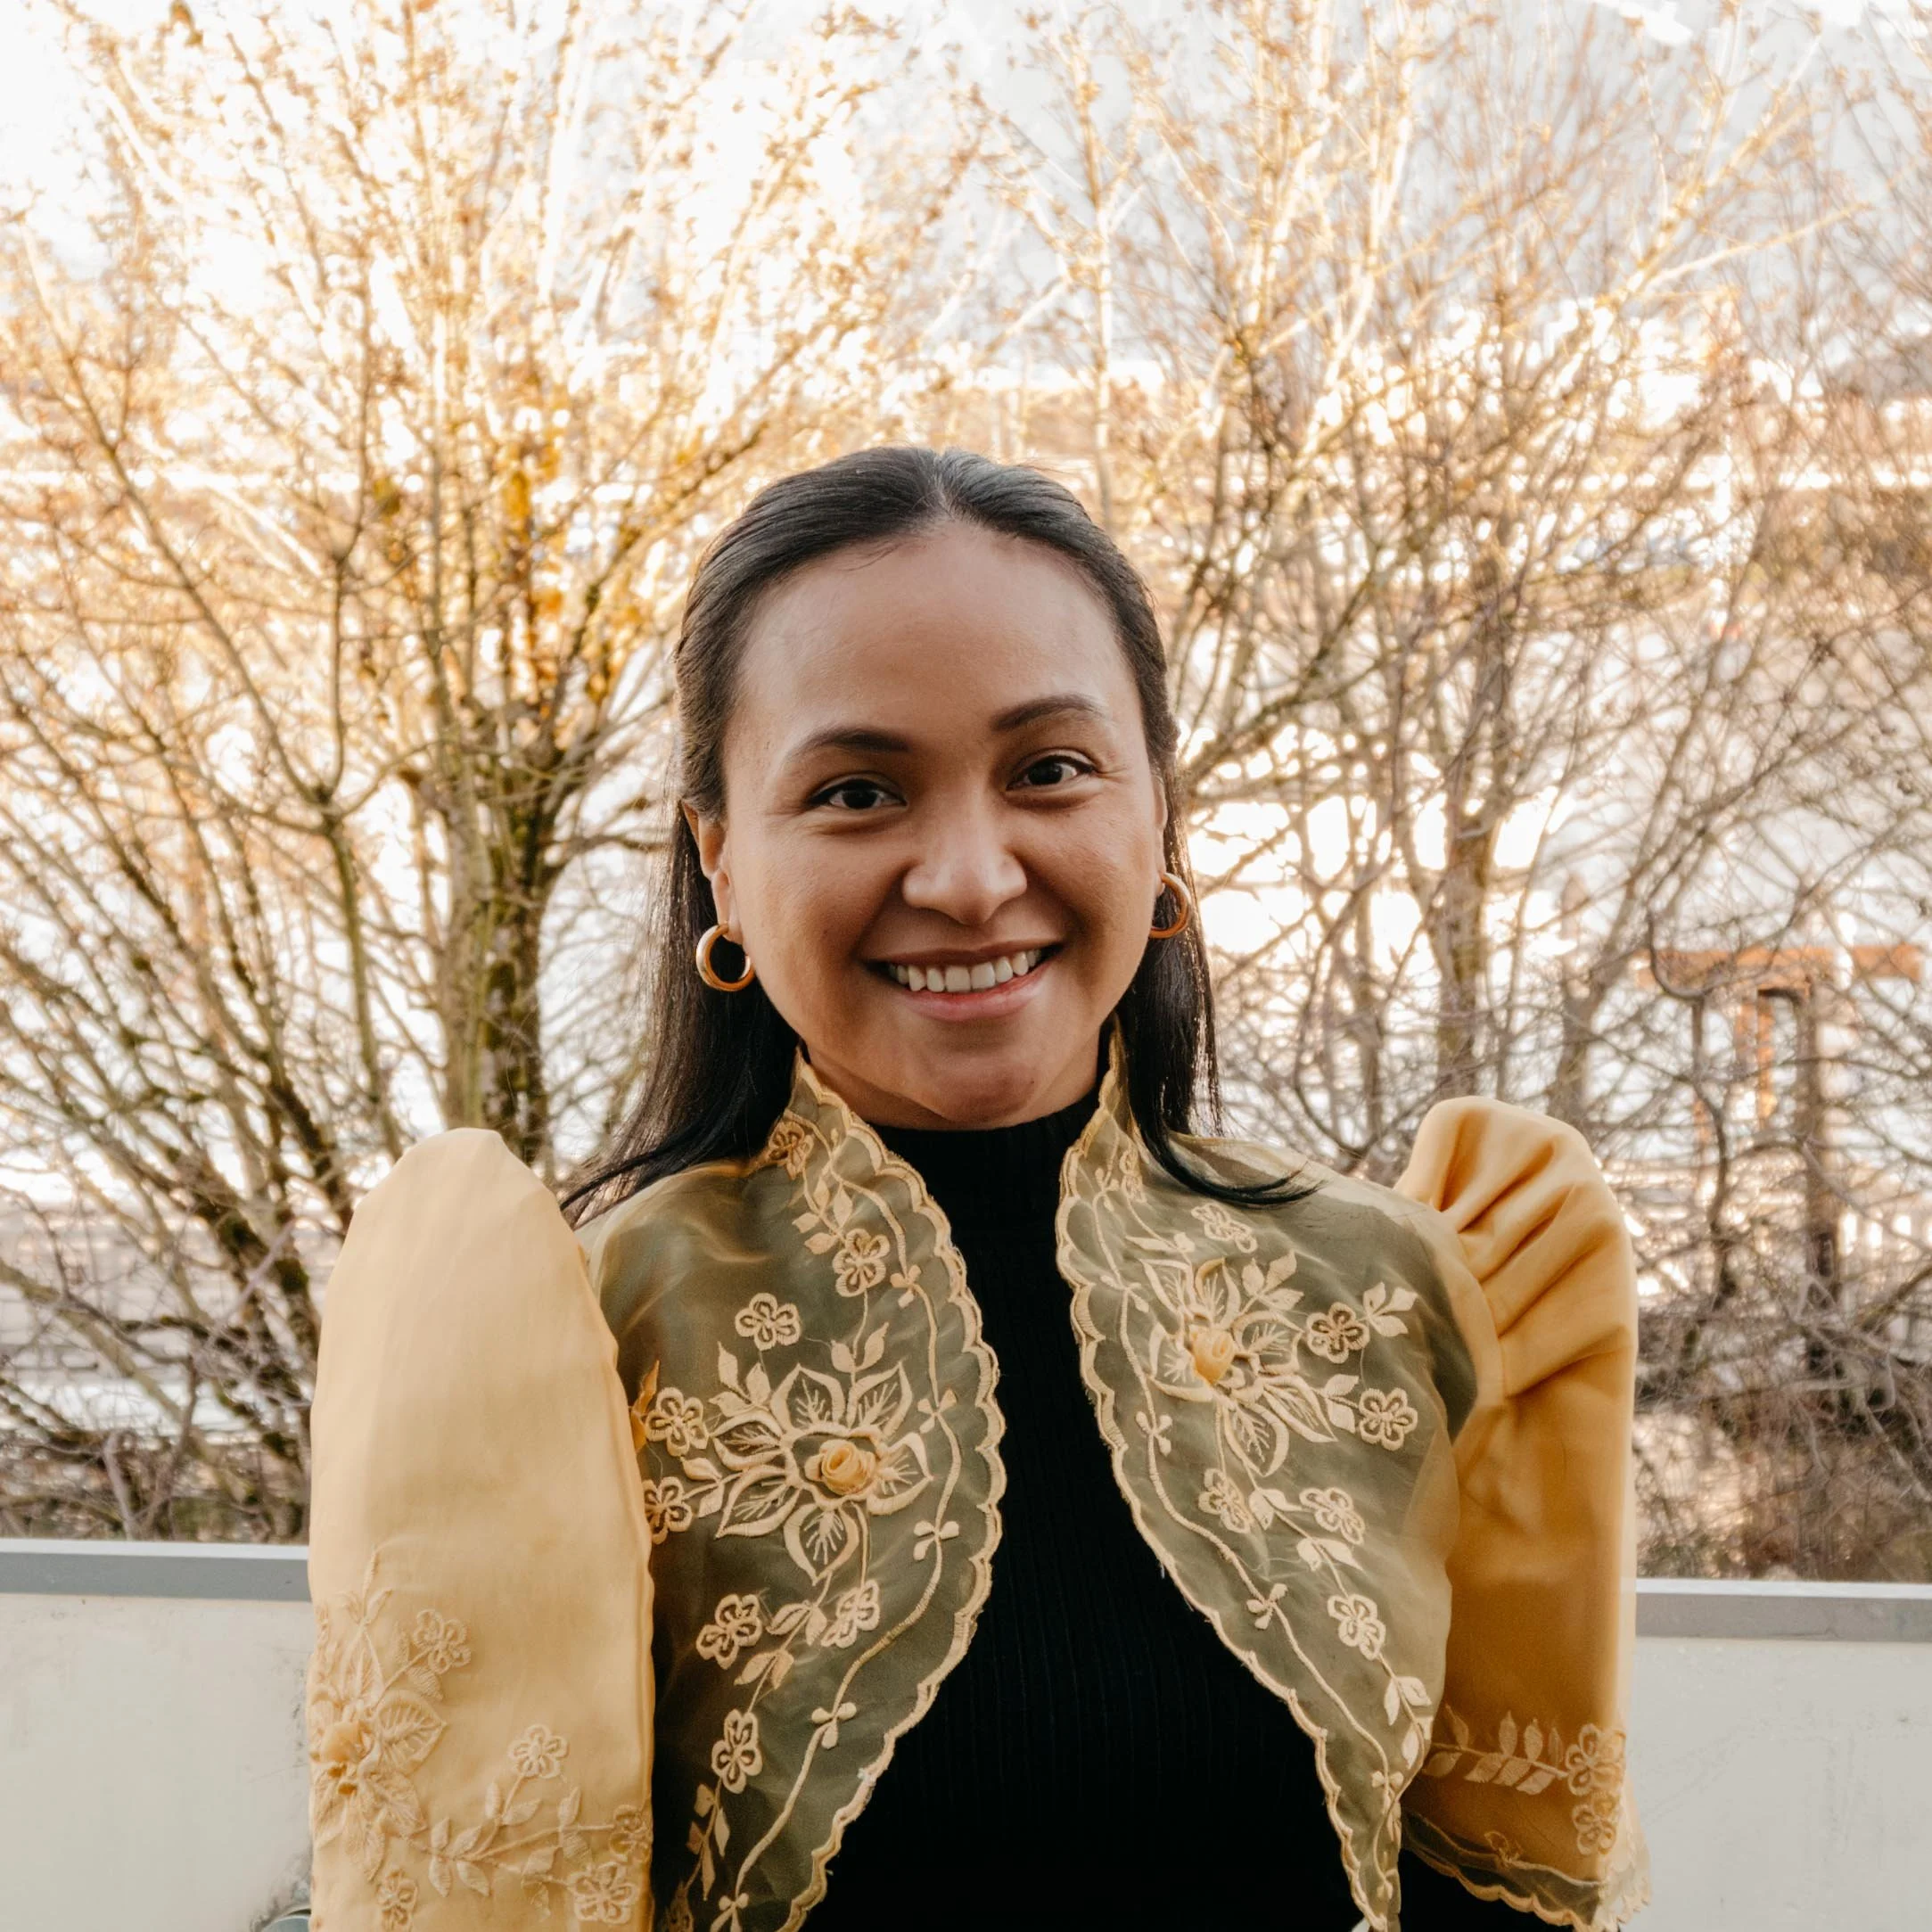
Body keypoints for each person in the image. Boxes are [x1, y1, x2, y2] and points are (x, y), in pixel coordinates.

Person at [303, 448, 1649, 1932]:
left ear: (1156, 818)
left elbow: (1507, 1892)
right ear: (723, 863)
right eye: (859, 789)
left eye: (1048, 771)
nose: (964, 874)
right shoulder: (584, 1344)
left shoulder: (1411, 1288)